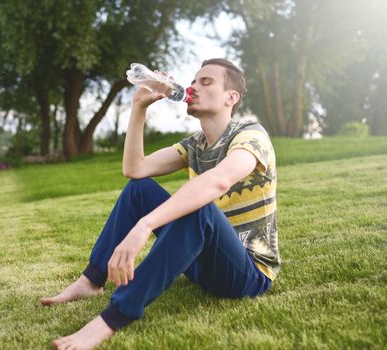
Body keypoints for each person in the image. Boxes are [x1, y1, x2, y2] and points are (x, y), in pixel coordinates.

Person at [40, 58, 280, 350]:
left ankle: (113, 318)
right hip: (200, 265)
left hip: (246, 274)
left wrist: (146, 224)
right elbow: (135, 169)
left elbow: (219, 181)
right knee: (139, 189)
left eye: (206, 82)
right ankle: (91, 281)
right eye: (193, 81)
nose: (193, 87)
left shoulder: (251, 135)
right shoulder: (194, 145)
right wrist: (139, 108)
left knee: (200, 207)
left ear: (232, 98)